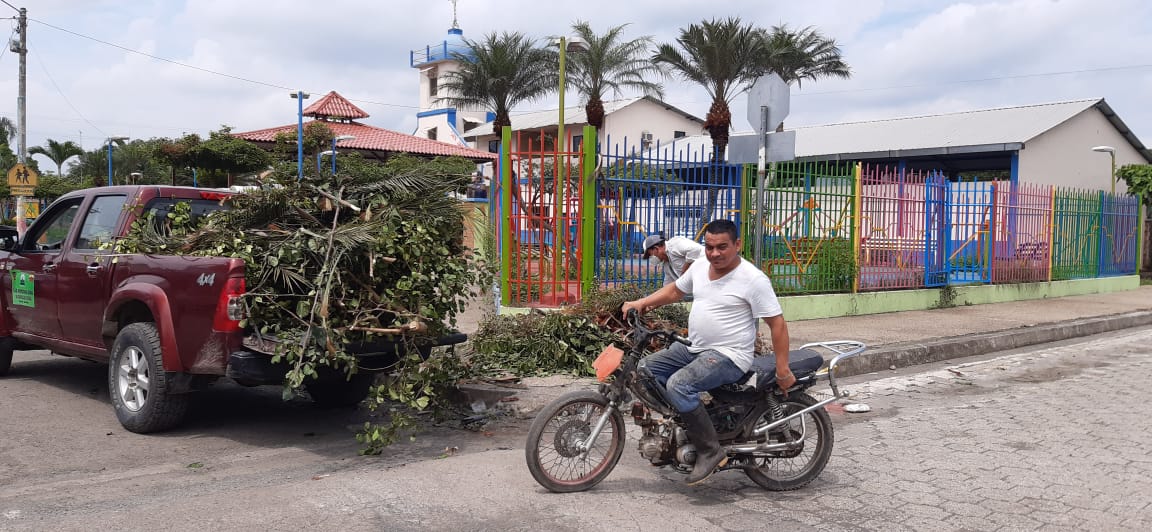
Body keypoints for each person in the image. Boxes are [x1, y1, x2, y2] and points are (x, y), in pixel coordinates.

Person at [622, 219, 794, 485]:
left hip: (729, 355)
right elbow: (675, 291)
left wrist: (783, 369)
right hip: (695, 348)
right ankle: (687, 425)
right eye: (709, 247)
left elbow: (777, 324)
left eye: (722, 247)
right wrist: (642, 302)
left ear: (737, 244)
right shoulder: (702, 265)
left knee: (679, 385)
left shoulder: (752, 279)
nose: (714, 253)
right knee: (645, 370)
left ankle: (710, 450)